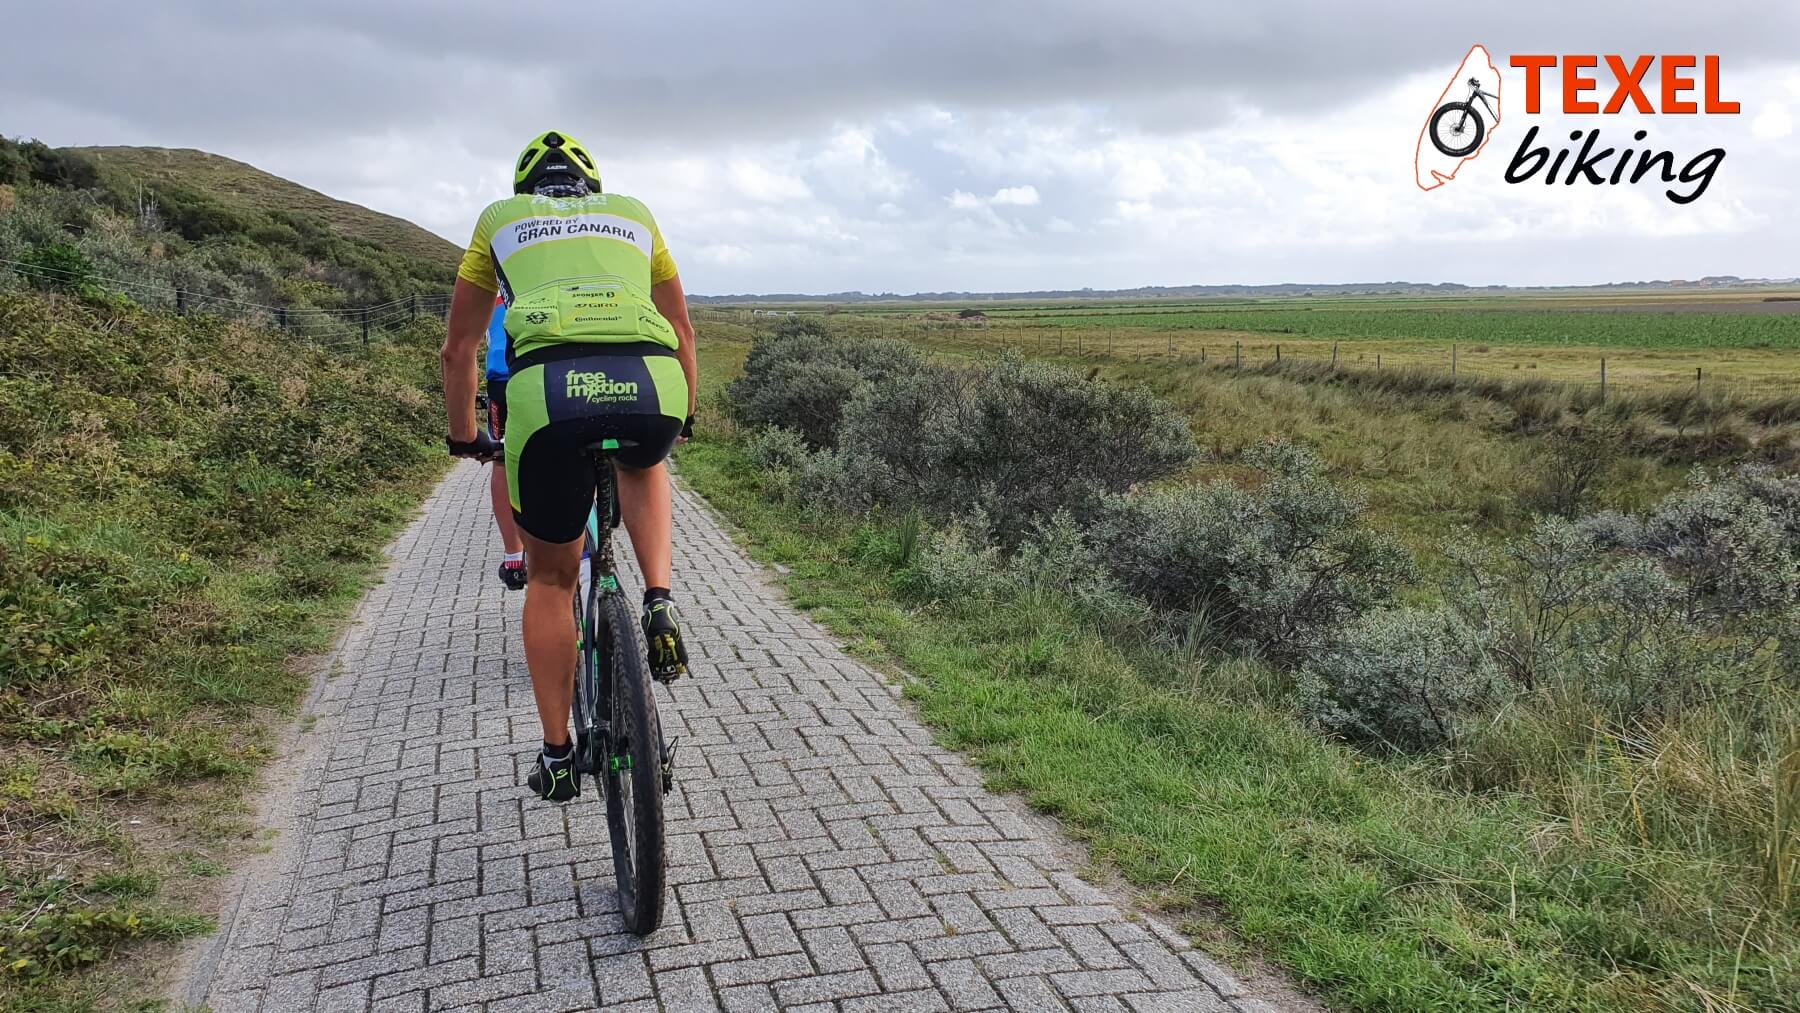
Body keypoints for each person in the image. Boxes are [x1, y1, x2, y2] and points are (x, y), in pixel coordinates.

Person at [442, 130, 698, 803]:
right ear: (593, 183)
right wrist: (686, 413)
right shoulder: (635, 213)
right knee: (646, 463)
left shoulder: (499, 220)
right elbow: (684, 327)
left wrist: (465, 437)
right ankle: (659, 599)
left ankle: (558, 755)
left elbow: (458, 348)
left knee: (553, 581)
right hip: (651, 383)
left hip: (547, 398)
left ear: (529, 187)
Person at [484, 294, 528, 590]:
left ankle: (514, 556)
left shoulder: (493, 291)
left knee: (501, 457)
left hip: (502, 376)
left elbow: (457, 351)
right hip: (562, 372)